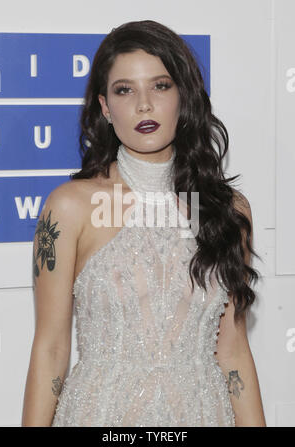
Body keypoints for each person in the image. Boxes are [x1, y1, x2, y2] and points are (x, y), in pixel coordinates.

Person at [22, 20, 266, 427]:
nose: (144, 105)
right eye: (124, 90)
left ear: (183, 95)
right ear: (104, 106)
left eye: (160, 85)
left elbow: (234, 350)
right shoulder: (70, 207)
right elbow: (50, 348)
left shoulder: (228, 212)